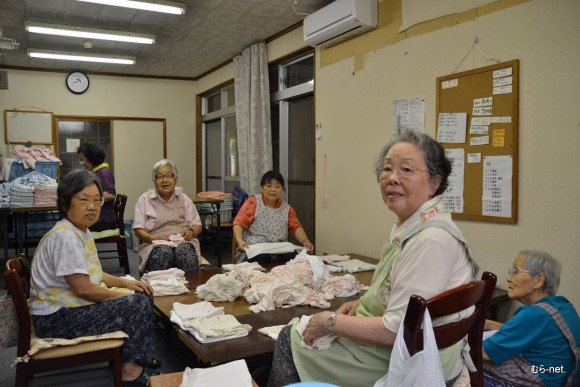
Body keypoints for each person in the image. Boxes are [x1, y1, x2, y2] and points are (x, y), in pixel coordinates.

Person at [268, 130, 479, 387]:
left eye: (406, 170)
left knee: (289, 339)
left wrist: (330, 322)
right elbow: (400, 295)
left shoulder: (431, 240)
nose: (392, 178)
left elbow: (395, 329)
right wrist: (361, 303)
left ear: (435, 182)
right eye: (387, 169)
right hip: (417, 347)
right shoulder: (415, 224)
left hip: (414, 361)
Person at [29, 169, 159, 384]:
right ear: (64, 203)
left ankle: (135, 358)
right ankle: (131, 370)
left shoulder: (79, 230)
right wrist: (124, 297)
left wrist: (128, 283)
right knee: (136, 304)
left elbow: (94, 274)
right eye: (83, 200)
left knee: (140, 293)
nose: (92, 206)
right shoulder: (66, 237)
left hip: (65, 310)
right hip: (55, 319)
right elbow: (84, 289)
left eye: (97, 200)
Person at [482, 250, 580, 387]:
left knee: (461, 361)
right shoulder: (562, 306)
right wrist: (489, 324)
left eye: (515, 271)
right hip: (561, 376)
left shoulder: (533, 314)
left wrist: (460, 337)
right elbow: (523, 331)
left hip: (542, 379)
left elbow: (486, 352)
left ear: (538, 281)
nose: (509, 278)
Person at [134, 159, 202, 273]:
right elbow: (138, 229)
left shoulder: (184, 199)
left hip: (183, 242)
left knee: (185, 253)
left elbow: (197, 225)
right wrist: (154, 239)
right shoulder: (145, 199)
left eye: (169, 175)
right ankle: (160, 289)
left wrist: (191, 232)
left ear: (175, 179)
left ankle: (191, 288)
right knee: (163, 253)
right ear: (154, 181)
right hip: (155, 244)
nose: (164, 180)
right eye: (159, 176)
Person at [232, 170, 315, 264]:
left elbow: (296, 227)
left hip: (278, 248)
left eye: (277, 186)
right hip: (256, 247)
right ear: (262, 188)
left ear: (282, 189)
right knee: (262, 259)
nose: (273, 190)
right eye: (269, 186)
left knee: (293, 257)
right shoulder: (253, 202)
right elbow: (238, 223)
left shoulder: (287, 208)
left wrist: (305, 240)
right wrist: (240, 240)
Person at [77, 142, 116, 231]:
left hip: (104, 220)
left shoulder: (104, 173)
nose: (82, 163)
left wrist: (89, 198)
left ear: (92, 159)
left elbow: (111, 195)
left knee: (76, 224)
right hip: (98, 217)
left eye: (83, 160)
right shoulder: (96, 173)